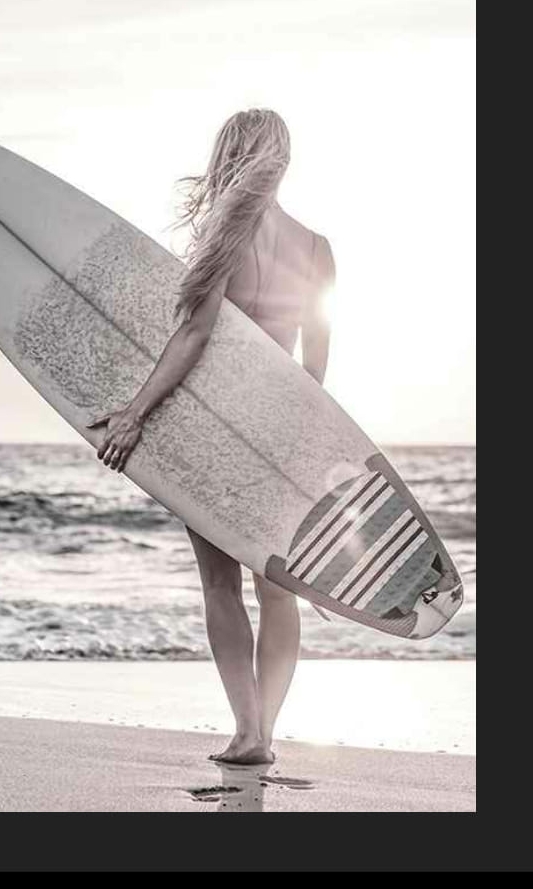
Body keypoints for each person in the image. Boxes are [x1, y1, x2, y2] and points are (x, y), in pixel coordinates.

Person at [87, 108, 336, 765]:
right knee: (276, 586)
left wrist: (135, 412)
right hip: (282, 427)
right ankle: (267, 733)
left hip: (213, 426)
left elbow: (193, 336)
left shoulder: (226, 236)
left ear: (229, 156)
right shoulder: (316, 248)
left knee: (220, 584)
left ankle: (246, 731)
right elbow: (314, 371)